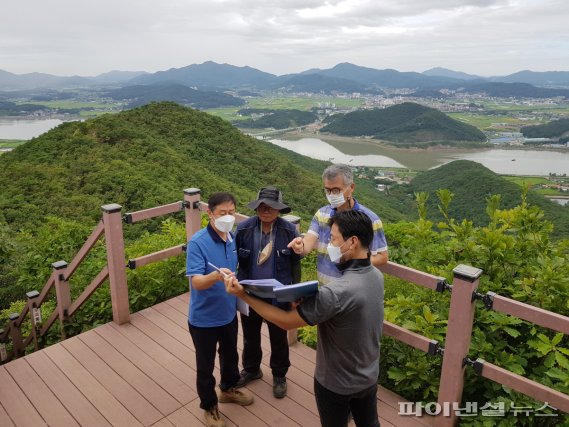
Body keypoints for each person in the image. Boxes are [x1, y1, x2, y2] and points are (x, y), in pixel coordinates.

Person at [225, 210, 384, 427]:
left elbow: (285, 320)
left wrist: (242, 295)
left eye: (334, 239)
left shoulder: (337, 292)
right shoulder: (376, 276)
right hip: (369, 376)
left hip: (336, 383)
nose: (330, 244)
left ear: (353, 242)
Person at [186, 192, 254, 427]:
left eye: (231, 212)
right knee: (204, 366)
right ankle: (210, 406)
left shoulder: (231, 238)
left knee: (230, 355)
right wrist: (215, 275)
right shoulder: (198, 242)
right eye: (222, 213)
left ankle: (228, 389)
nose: (228, 217)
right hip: (203, 318)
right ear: (210, 213)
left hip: (228, 313)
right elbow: (196, 282)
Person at [234, 186, 302, 398]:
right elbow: (233, 258)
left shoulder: (289, 231)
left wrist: (294, 294)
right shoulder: (243, 229)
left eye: (271, 207)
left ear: (279, 210)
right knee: (250, 334)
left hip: (278, 294)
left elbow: (295, 265)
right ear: (256, 208)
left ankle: (279, 375)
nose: (266, 210)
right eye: (262, 206)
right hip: (250, 292)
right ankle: (252, 369)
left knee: (278, 336)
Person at [288, 163, 388, 285]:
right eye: (327, 190)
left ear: (351, 187)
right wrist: (299, 247)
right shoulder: (321, 214)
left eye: (336, 190)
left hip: (354, 290)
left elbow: (382, 257)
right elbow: (308, 243)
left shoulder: (370, 219)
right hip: (326, 288)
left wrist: (350, 263)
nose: (331, 195)